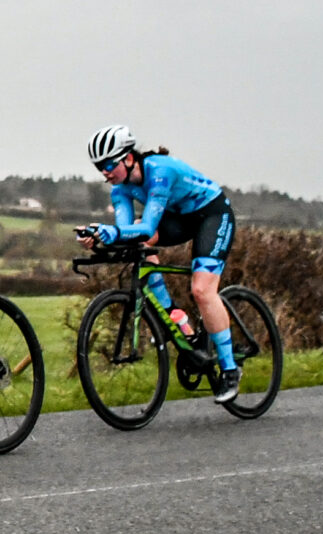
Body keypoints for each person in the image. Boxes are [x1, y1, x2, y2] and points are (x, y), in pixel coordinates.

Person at [78, 124, 241, 403]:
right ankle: (173, 315)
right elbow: (127, 233)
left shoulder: (159, 171)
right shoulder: (120, 190)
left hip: (212, 215)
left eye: (109, 165)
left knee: (202, 290)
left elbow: (147, 227)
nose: (104, 172)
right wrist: (96, 238)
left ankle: (229, 369)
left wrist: (111, 232)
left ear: (129, 158)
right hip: (179, 219)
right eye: (99, 167)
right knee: (138, 243)